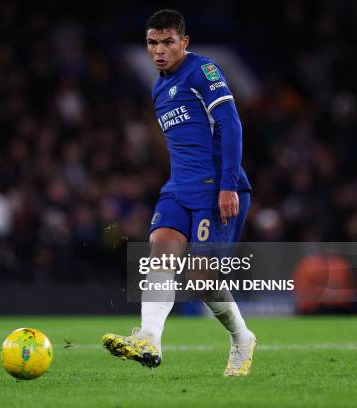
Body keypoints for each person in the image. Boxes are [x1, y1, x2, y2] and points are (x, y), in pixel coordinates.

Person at [102, 9, 256, 376]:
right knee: (160, 252)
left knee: (200, 278)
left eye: (168, 42)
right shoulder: (158, 87)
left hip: (214, 186)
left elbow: (230, 123)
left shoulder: (203, 72)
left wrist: (228, 185)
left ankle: (242, 338)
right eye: (153, 43)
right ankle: (150, 339)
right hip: (178, 187)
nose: (159, 50)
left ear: (183, 42)